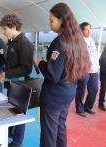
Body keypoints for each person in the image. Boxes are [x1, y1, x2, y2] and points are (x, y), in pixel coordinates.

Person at [38, 3, 91, 147]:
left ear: (61, 20)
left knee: (49, 132)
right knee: (60, 126)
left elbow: (53, 75)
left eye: (52, 20)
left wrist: (41, 63)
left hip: (54, 95)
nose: (49, 23)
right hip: (68, 91)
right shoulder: (77, 40)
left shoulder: (59, 42)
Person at [0, 14, 33, 147]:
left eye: (5, 29)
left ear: (12, 27)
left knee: (19, 114)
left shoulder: (24, 43)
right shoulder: (13, 42)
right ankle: (11, 133)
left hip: (21, 87)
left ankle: (17, 142)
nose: (3, 31)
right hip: (13, 84)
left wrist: (7, 73)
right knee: (12, 111)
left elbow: (26, 68)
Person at [75, 22, 100, 117]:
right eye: (86, 29)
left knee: (94, 89)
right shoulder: (78, 41)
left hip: (94, 70)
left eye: (90, 29)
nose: (89, 31)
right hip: (84, 70)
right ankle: (79, 108)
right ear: (81, 30)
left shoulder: (92, 40)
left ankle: (88, 107)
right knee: (81, 90)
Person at [99, 45, 106, 111]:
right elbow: (101, 62)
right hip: (104, 74)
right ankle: (101, 103)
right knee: (103, 89)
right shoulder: (104, 56)